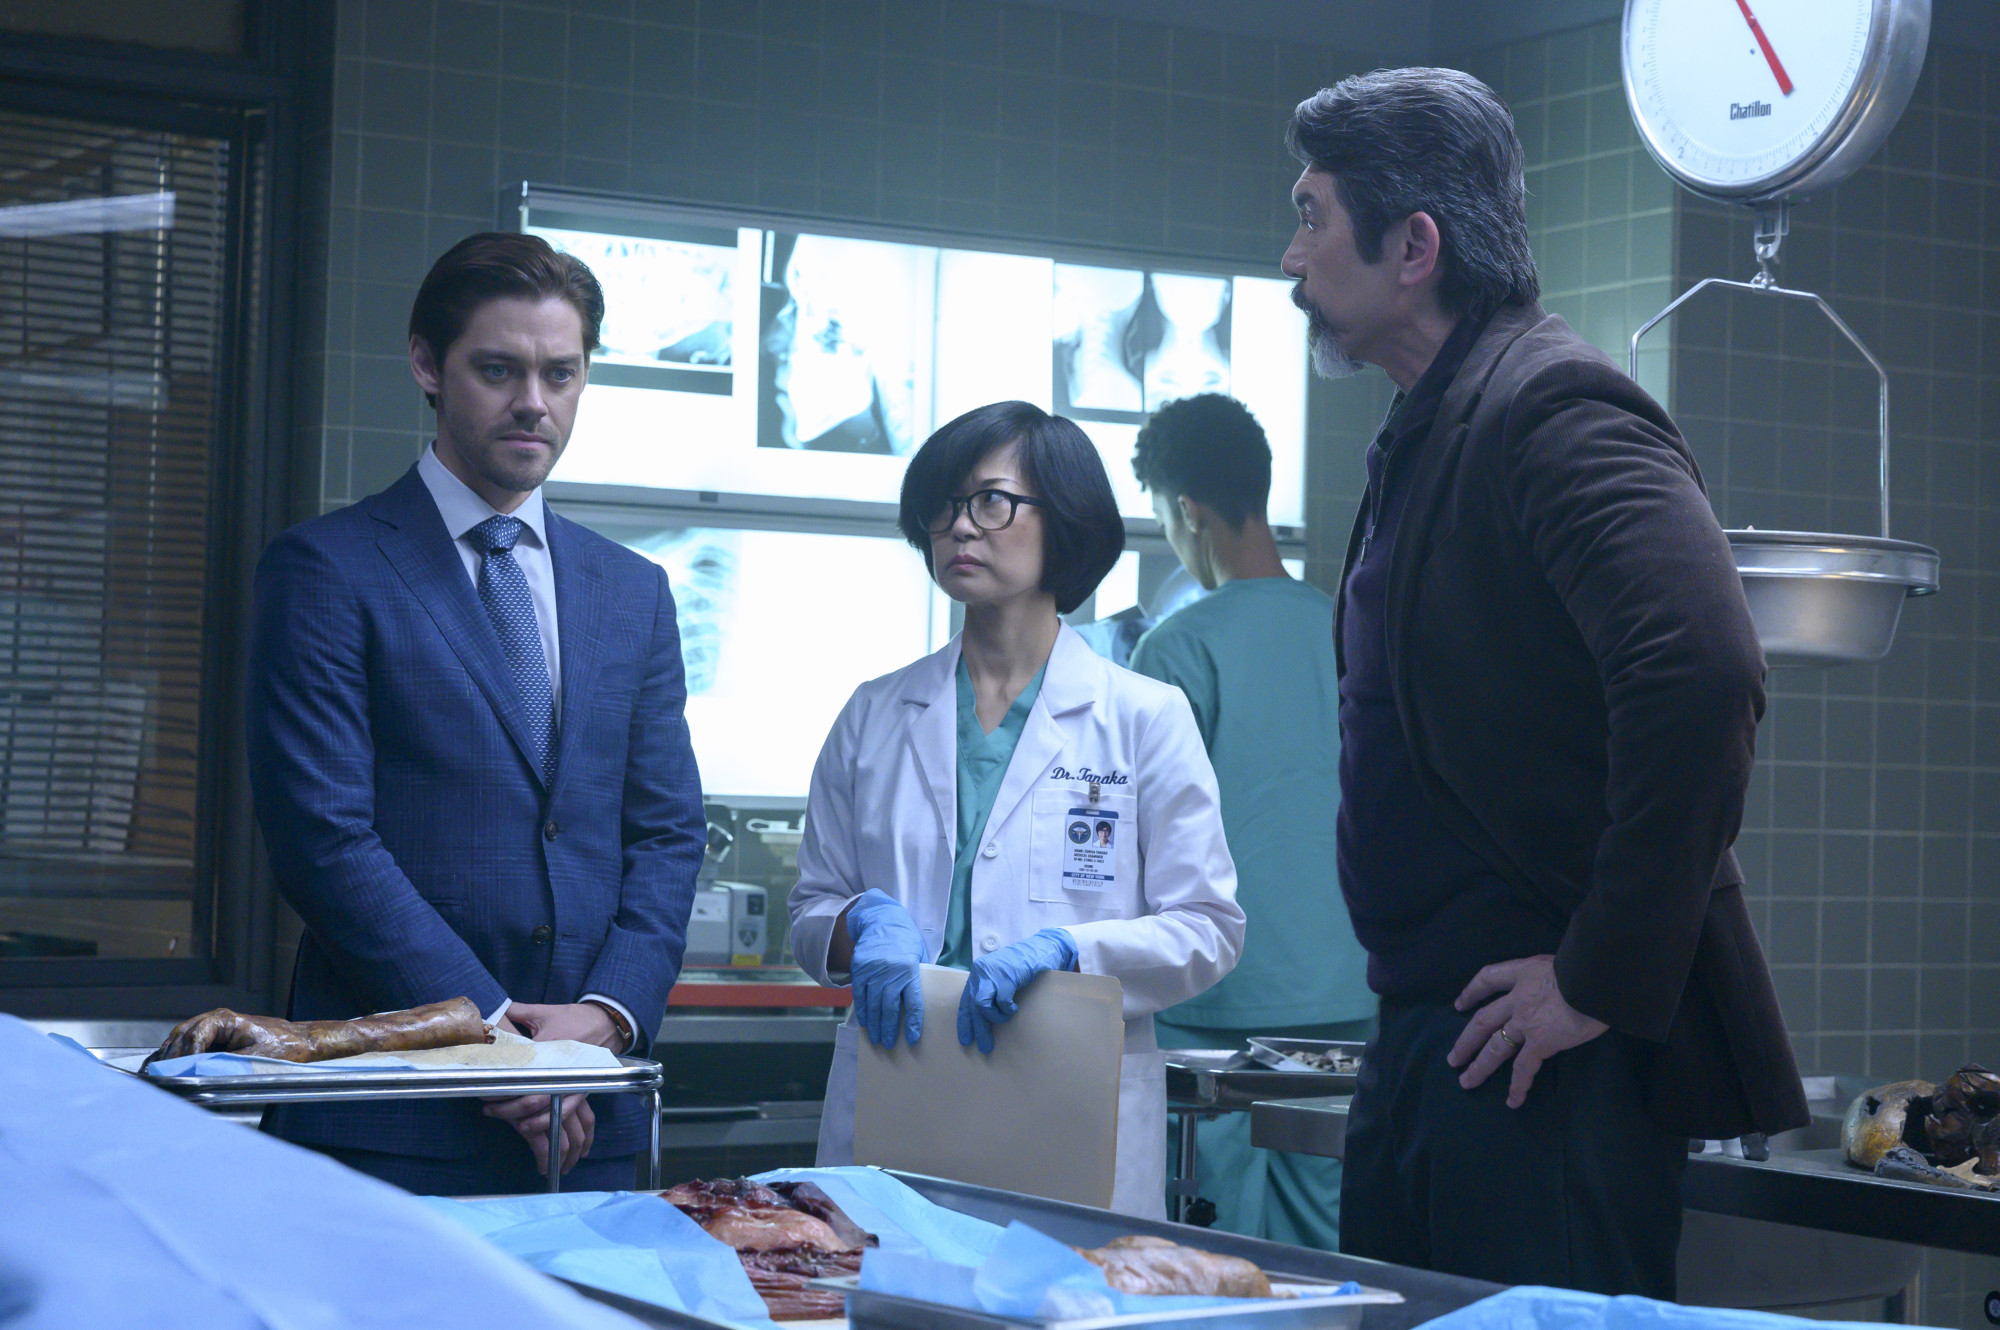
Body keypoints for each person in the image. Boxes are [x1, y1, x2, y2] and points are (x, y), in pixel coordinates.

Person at [1279, 69, 1808, 1296]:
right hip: (1432, 1033)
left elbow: (1700, 668)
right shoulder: (1432, 421)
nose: (1291, 256)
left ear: (1413, 247)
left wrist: (1594, 973)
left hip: (1542, 1055)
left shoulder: (1551, 404)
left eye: (1311, 217)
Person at [247, 232, 705, 1195]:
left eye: (560, 373)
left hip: (587, 1113)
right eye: (499, 370)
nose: (534, 401)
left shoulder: (634, 591)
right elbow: (324, 841)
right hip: (395, 1114)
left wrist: (608, 1015)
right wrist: (492, 1038)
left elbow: (667, 833)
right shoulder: (328, 569)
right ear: (427, 364)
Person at [788, 399, 1247, 1218]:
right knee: (885, 1278)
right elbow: (813, 908)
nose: (960, 526)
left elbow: (1208, 929)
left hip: (1068, 1102)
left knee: (1061, 1281)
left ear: (1064, 519)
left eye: (992, 502)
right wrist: (860, 925)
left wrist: (1072, 950)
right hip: (901, 1090)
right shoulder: (874, 713)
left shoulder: (1144, 716)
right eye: (944, 505)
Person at [1125, 392, 1374, 1250]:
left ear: (1189, 510)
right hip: (1345, 995)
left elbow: (1144, 832)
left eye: (1165, 520)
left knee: (1209, 1243)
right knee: (1326, 1238)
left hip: (1213, 1006)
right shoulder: (1350, 629)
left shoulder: (1175, 647)